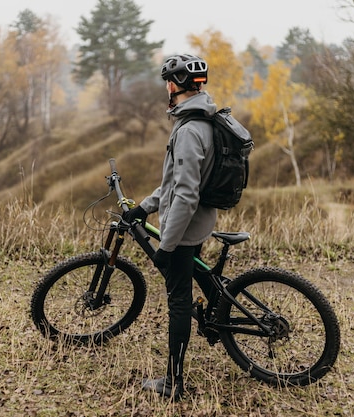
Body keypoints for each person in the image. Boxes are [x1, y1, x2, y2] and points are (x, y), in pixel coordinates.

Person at [123, 54, 218, 400]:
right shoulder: (201, 119)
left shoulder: (190, 130)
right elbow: (176, 183)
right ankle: (218, 315)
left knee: (178, 301)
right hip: (197, 223)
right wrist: (145, 207)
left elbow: (186, 194)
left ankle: (173, 383)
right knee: (199, 284)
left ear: (175, 84)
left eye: (168, 81)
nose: (166, 86)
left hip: (185, 228)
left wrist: (167, 245)